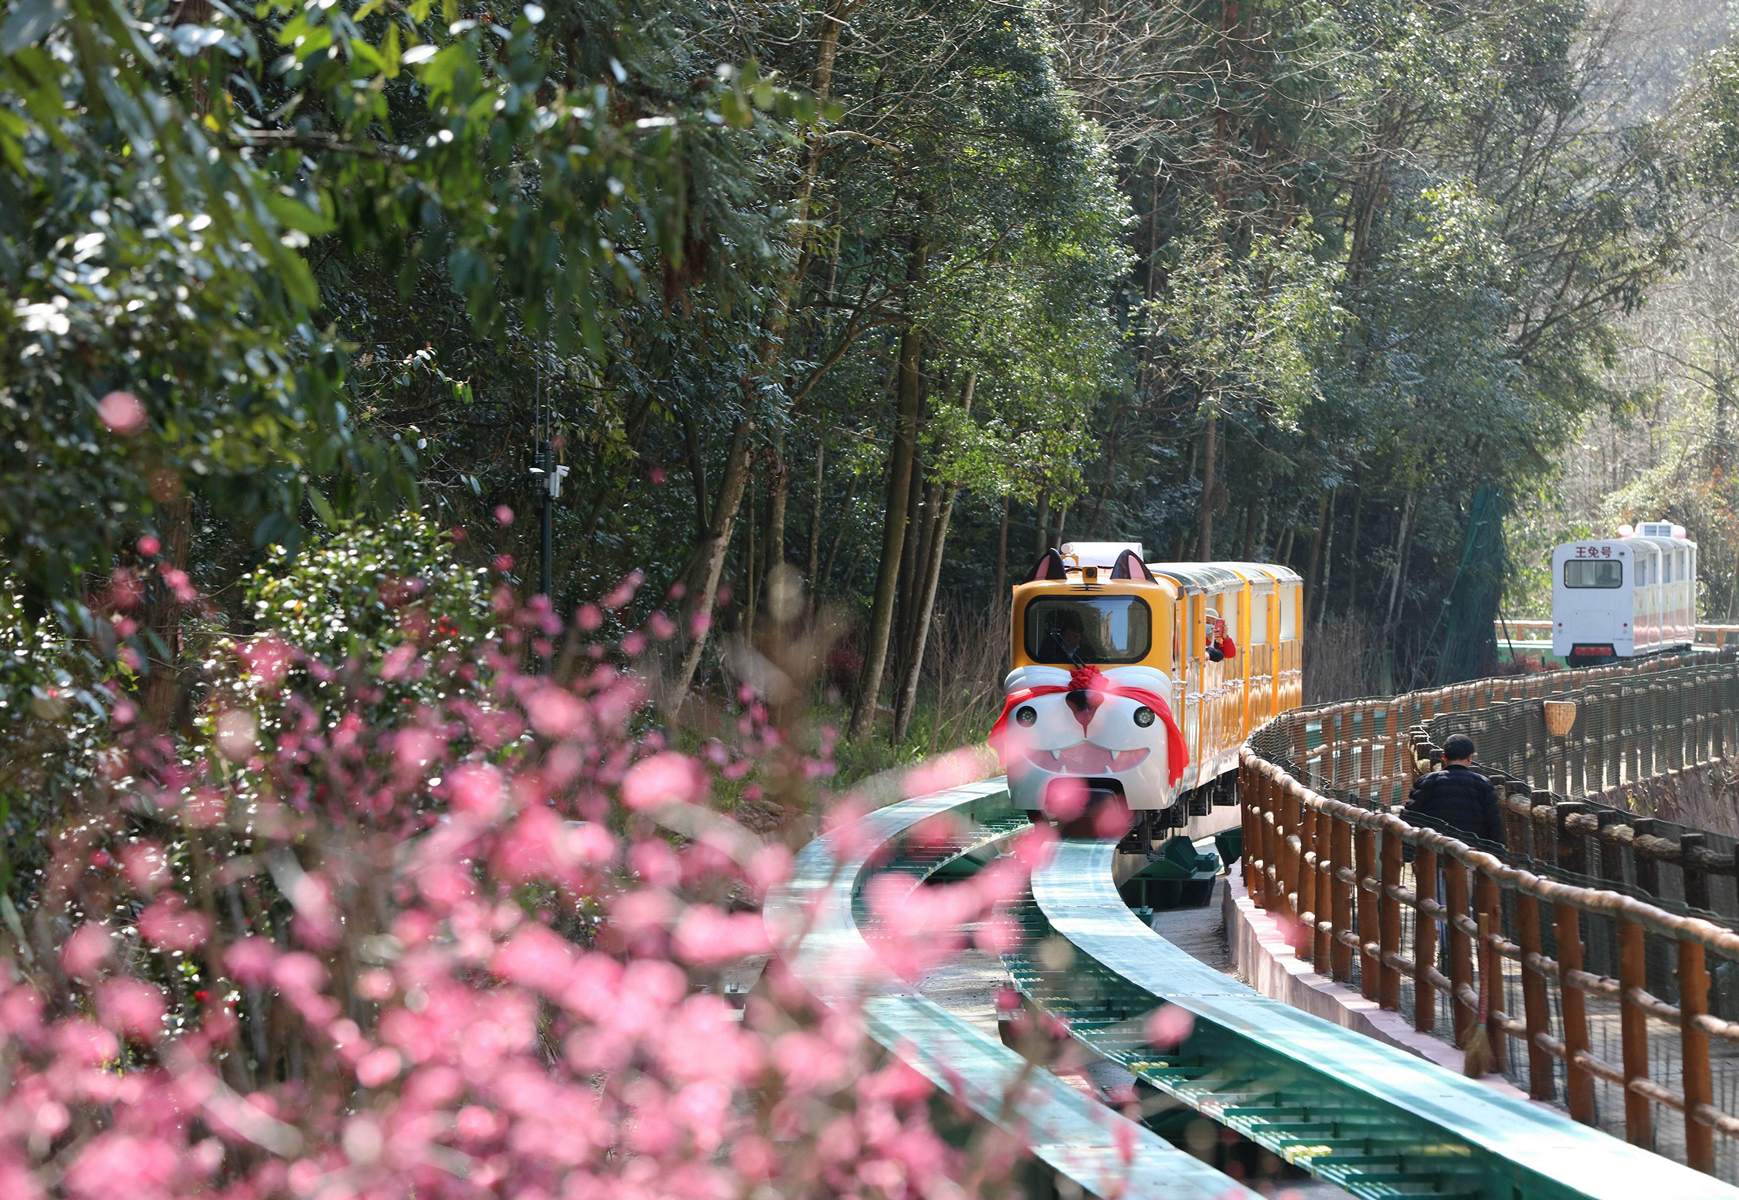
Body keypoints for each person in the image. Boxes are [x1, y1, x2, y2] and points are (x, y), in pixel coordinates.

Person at [1404, 734, 1504, 847]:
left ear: (1444, 757)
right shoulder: (1483, 784)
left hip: (1433, 850)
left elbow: (1410, 817)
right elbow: (1494, 825)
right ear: (1470, 758)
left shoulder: (1426, 781)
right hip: (1472, 851)